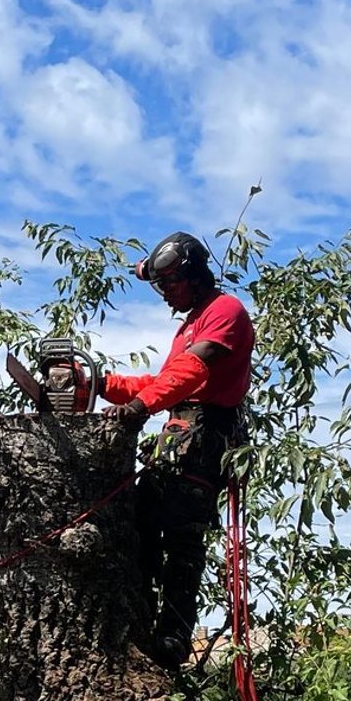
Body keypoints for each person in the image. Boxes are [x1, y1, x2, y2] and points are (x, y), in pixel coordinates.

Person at [101, 231, 255, 668]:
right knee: (141, 524)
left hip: (204, 438)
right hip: (177, 437)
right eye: (160, 286)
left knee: (183, 536)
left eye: (169, 283)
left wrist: (137, 408)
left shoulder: (224, 311)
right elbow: (164, 382)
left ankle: (172, 638)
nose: (166, 294)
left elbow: (192, 371)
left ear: (193, 275)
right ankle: (140, 619)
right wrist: (101, 384)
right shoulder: (189, 326)